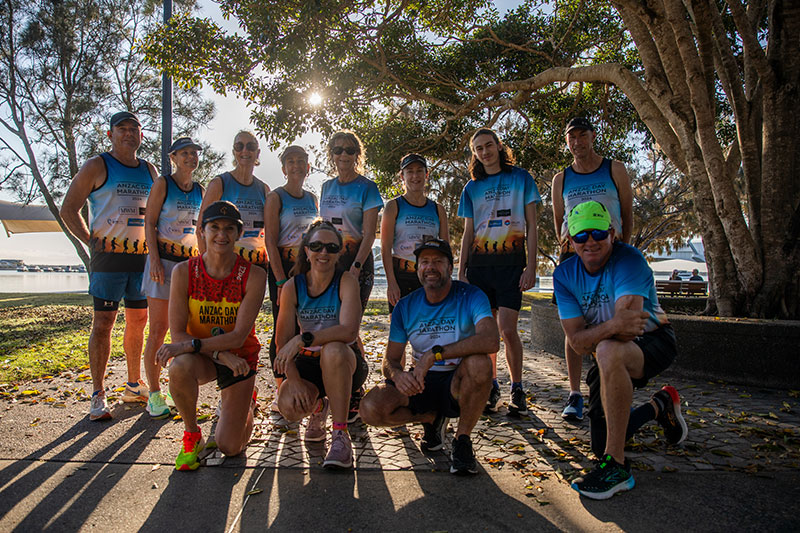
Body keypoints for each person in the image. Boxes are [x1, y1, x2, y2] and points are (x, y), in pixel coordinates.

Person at [553, 201, 687, 500]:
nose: (590, 241)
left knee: (607, 349)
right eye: (581, 235)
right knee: (601, 442)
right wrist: (611, 324)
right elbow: (575, 342)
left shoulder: (629, 260)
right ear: (570, 241)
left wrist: (599, 332)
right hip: (605, 350)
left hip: (654, 340)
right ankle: (660, 405)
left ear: (611, 233)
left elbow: (630, 329)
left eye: (598, 233)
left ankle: (617, 468)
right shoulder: (564, 275)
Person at [360, 238, 498, 475]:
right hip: (420, 383)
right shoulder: (405, 306)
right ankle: (431, 419)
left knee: (481, 363)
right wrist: (398, 374)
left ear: (450, 268)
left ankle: (462, 441)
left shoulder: (471, 295)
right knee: (370, 408)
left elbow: (490, 340)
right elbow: (390, 360)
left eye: (437, 261)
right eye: (424, 262)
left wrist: (434, 355)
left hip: (457, 381)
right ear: (417, 269)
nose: (430, 267)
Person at [60, 111, 157, 421]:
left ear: (141, 136)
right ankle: (98, 393)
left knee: (139, 320)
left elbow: (158, 214)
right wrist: (90, 239)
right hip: (108, 258)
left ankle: (133, 384)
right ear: (110, 134)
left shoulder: (150, 170)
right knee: (103, 323)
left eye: (134, 129)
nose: (129, 134)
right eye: (122, 129)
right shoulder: (97, 165)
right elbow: (68, 209)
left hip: (141, 258)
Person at [155, 201, 266, 471]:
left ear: (239, 234)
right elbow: (178, 333)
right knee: (178, 366)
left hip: (239, 357)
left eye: (230, 228)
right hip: (204, 356)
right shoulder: (184, 272)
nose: (221, 235)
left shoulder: (254, 274)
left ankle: (247, 405)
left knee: (230, 446)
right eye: (214, 227)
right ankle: (192, 434)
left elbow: (239, 336)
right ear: (201, 231)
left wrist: (217, 351)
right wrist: (218, 353)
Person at [551, 117, 634, 423]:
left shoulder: (615, 169)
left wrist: (626, 248)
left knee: (611, 320)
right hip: (574, 257)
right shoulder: (561, 178)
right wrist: (567, 246)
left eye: (582, 135)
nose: (577, 142)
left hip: (611, 252)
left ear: (592, 136)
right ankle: (574, 394)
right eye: (571, 137)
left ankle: (610, 387)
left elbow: (626, 213)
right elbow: (559, 220)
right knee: (574, 326)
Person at [457, 128, 540, 416]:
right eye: (478, 148)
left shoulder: (521, 178)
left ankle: (517, 388)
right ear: (475, 154)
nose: (485, 152)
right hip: (479, 268)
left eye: (489, 145)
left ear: (498, 146)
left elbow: (532, 225)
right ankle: (491, 387)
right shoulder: (471, 187)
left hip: (511, 266)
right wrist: (461, 269)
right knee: (487, 333)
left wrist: (531, 266)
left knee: (507, 330)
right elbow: (469, 232)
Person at [273, 220, 367, 469]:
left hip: (345, 361)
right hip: (309, 362)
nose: (323, 252)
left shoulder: (346, 281)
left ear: (339, 253)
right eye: (316, 246)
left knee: (333, 349)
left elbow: (348, 332)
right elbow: (282, 342)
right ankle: (319, 406)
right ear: (306, 250)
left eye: (330, 247)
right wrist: (292, 380)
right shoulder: (294, 286)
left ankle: (340, 435)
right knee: (288, 406)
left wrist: (303, 338)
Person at [319, 130, 383, 422]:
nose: (343, 155)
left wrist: (356, 267)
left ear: (358, 155)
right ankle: (333, 386)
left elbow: (370, 233)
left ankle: (355, 387)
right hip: (328, 264)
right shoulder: (326, 187)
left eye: (349, 150)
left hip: (357, 263)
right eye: (337, 150)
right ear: (331, 154)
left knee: (351, 327)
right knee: (332, 324)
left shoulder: (367, 187)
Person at [140, 137, 205, 419]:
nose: (191, 157)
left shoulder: (201, 189)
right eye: (186, 153)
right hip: (163, 263)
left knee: (184, 331)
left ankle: (175, 388)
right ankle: (154, 394)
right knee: (158, 330)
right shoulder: (163, 184)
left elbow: (200, 231)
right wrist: (154, 259)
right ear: (174, 158)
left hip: (189, 265)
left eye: (195, 153)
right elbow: (150, 222)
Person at [264, 145, 318, 414]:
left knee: (304, 328)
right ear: (284, 168)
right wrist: (279, 280)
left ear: (308, 167)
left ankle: (306, 386)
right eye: (291, 162)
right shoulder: (276, 197)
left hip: (308, 269)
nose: (296, 166)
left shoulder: (311, 198)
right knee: (281, 330)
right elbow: (270, 242)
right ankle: (280, 389)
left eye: (301, 161)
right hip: (283, 269)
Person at [381, 153, 449, 311]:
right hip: (402, 276)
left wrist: (446, 281)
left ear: (426, 174)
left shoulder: (438, 209)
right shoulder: (393, 206)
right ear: (402, 176)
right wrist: (391, 283)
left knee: (429, 330)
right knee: (400, 331)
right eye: (409, 171)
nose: (415, 176)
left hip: (431, 277)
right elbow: (385, 248)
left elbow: (445, 250)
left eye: (419, 171)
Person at [198, 130, 270, 270]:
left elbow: (270, 233)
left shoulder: (264, 189)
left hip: (257, 266)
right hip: (225, 265)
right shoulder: (220, 183)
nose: (245, 150)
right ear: (234, 151)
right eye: (239, 146)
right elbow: (201, 229)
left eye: (250, 147)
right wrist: (207, 266)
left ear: (257, 153)